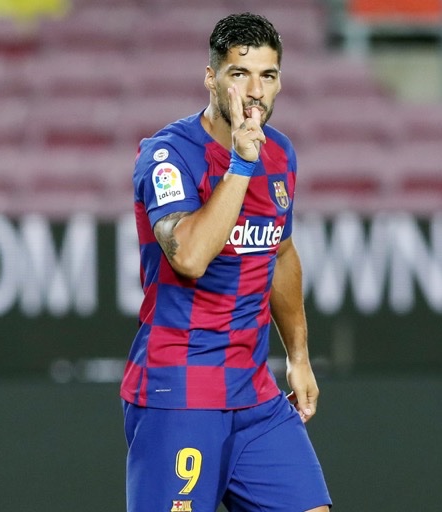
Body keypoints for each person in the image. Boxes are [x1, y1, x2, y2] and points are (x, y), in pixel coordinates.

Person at [121, 12, 331, 512]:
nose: (255, 90)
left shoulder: (279, 155)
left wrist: (298, 358)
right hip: (181, 391)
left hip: (253, 393)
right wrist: (240, 163)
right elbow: (189, 257)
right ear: (212, 77)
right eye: (240, 74)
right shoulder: (168, 156)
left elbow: (279, 253)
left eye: (268, 75)